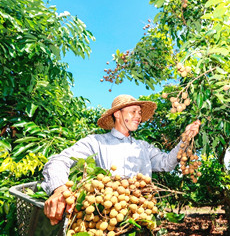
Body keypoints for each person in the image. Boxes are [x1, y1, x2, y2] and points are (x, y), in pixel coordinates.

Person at [42, 94, 201, 225]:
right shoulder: (96, 142)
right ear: (117, 114)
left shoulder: (143, 147)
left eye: (139, 112)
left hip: (142, 219)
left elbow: (166, 164)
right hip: (107, 222)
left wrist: (185, 139)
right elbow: (59, 160)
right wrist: (59, 189)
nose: (138, 116)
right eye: (133, 111)